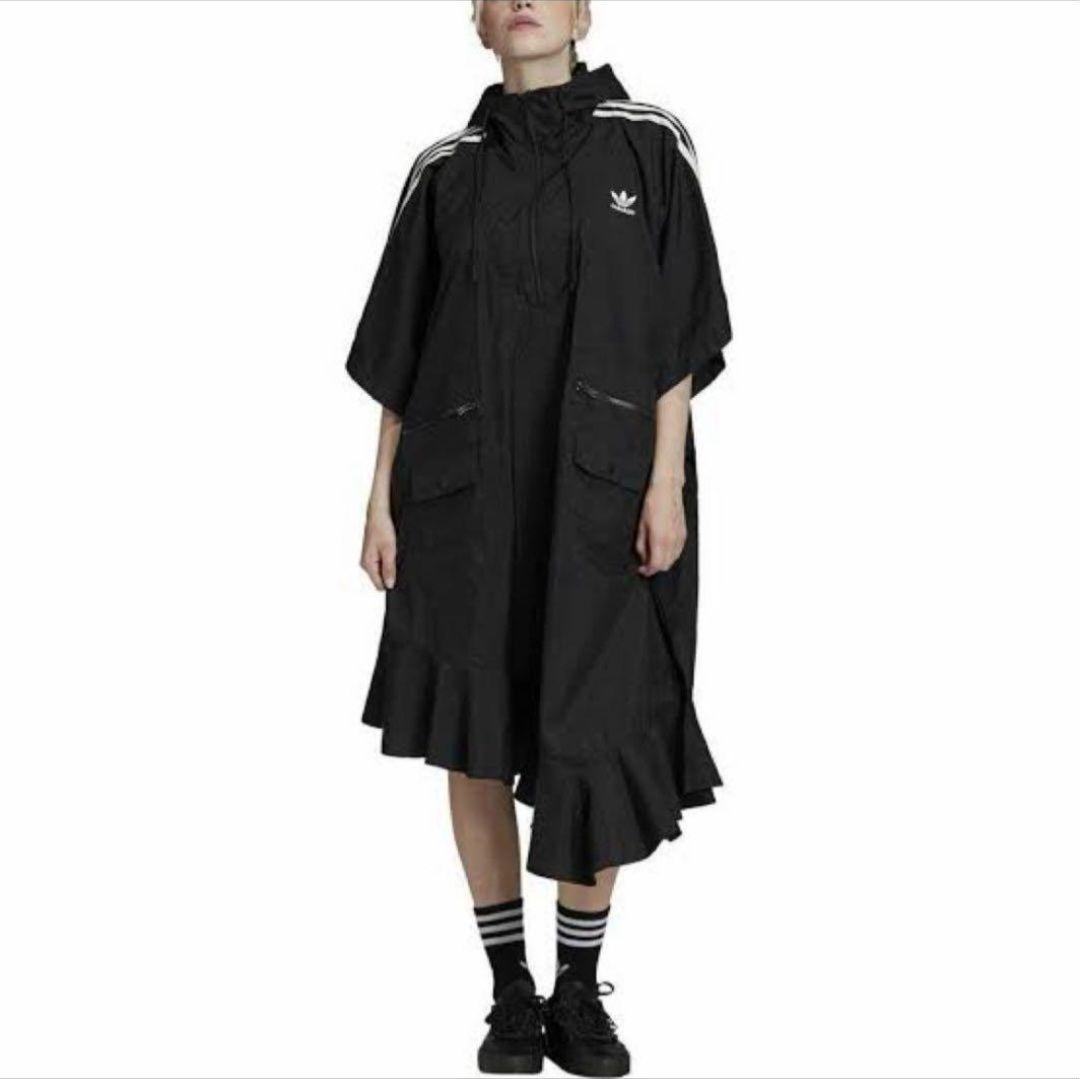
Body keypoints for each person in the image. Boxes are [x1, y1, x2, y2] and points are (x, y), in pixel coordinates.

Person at [347, 1, 732, 1073]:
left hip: (605, 498)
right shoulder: (444, 171)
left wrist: (664, 482)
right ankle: (510, 988)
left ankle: (578, 986)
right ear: (476, 22)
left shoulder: (650, 145)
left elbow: (676, 336)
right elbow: (401, 354)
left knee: (594, 725)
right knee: (473, 728)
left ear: (581, 13)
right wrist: (377, 498)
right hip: (461, 497)